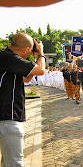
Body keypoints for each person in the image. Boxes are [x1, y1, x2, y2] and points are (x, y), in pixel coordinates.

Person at [0, 32, 45, 166]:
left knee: (7, 162)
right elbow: (41, 70)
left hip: (6, 118)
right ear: (26, 49)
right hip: (9, 118)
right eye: (31, 50)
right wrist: (41, 54)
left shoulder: (6, 58)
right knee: (15, 163)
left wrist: (35, 59)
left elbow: (26, 78)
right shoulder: (10, 58)